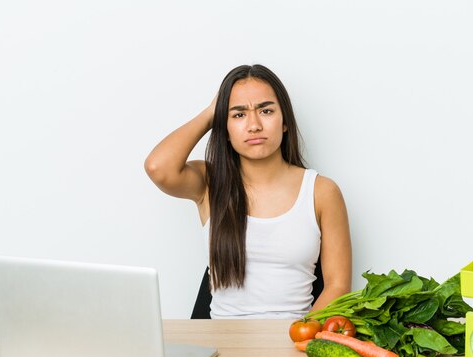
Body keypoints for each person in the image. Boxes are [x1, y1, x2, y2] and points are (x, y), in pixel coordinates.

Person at [144, 64, 352, 319]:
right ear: (225, 129)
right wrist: (212, 112)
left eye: (266, 111)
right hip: (221, 347)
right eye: (239, 115)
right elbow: (158, 167)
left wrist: (297, 338)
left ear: (285, 122)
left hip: (294, 343)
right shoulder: (210, 183)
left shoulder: (322, 191)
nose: (254, 125)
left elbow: (338, 286)